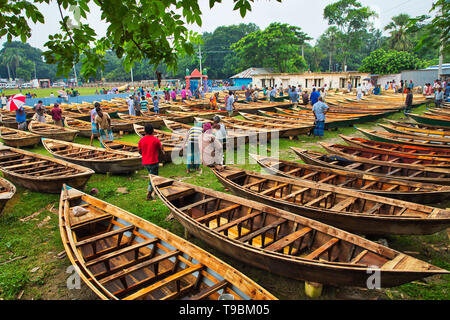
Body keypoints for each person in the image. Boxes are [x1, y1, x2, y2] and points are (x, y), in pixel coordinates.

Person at [138, 124, 162, 201]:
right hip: (153, 161)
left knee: (153, 177)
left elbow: (140, 152)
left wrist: (145, 154)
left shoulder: (141, 140)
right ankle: (149, 194)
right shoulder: (155, 140)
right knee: (153, 178)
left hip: (145, 162)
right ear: (153, 131)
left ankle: (155, 191)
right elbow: (160, 150)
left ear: (145, 131)